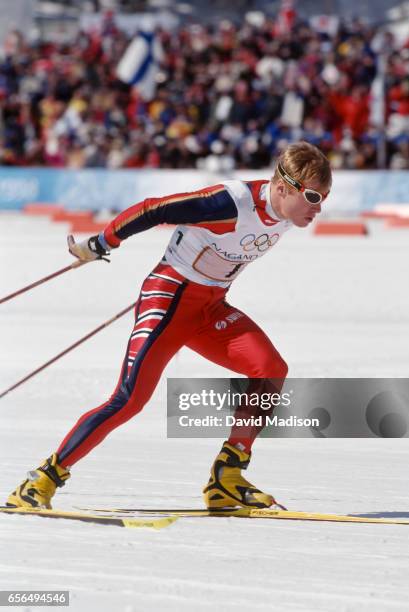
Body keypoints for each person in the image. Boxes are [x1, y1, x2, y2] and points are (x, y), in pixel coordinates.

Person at [6, 141, 331, 511]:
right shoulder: (232, 203)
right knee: (129, 399)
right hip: (169, 299)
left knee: (270, 369)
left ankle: (227, 477)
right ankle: (41, 480)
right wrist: (101, 242)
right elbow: (154, 209)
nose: (318, 208)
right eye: (312, 196)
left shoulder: (288, 212)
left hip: (209, 308)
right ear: (282, 187)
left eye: (323, 197)